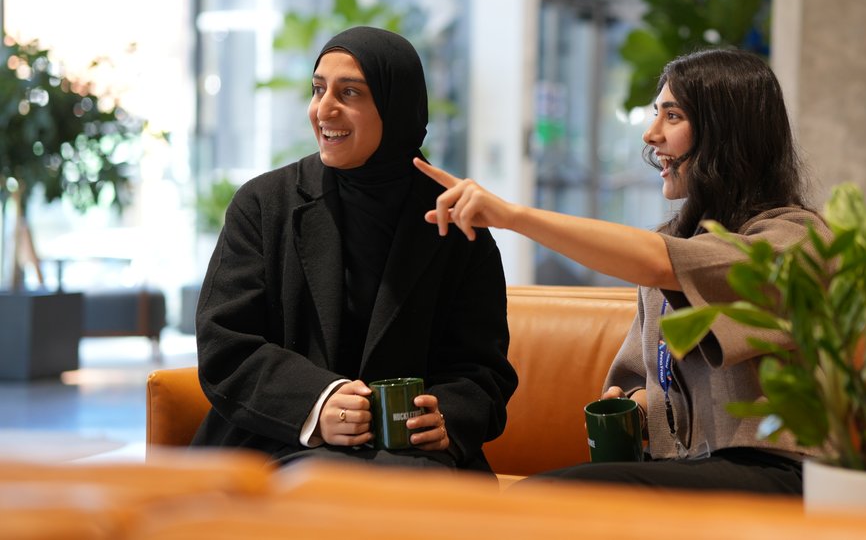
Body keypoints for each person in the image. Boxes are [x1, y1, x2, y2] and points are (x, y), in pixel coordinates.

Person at [414, 47, 827, 494]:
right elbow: (648, 381)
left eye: (672, 116)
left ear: (727, 134)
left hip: (781, 471)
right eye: (655, 114)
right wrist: (636, 404)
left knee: (539, 497)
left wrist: (513, 216)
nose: (651, 134)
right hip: (693, 469)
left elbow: (657, 261)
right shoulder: (676, 239)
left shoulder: (793, 238)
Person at [191, 26, 517, 475]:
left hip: (408, 454)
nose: (323, 109)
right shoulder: (266, 204)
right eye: (318, 89)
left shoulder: (455, 219)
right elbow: (224, 343)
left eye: (349, 92)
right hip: (276, 441)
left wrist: (447, 416)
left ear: (394, 106)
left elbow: (483, 368)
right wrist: (317, 404)